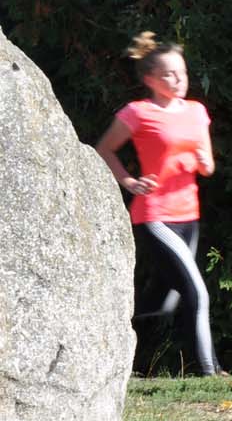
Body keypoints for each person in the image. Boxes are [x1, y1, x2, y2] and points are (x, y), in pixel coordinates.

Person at [94, 32, 221, 377]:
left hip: (188, 214)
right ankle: (209, 371)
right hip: (154, 215)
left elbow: (206, 163)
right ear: (150, 79)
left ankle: (117, 357)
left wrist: (202, 162)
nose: (179, 80)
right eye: (169, 74)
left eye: (182, 72)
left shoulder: (196, 112)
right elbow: (104, 149)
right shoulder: (138, 112)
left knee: (163, 299)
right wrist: (130, 182)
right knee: (197, 293)